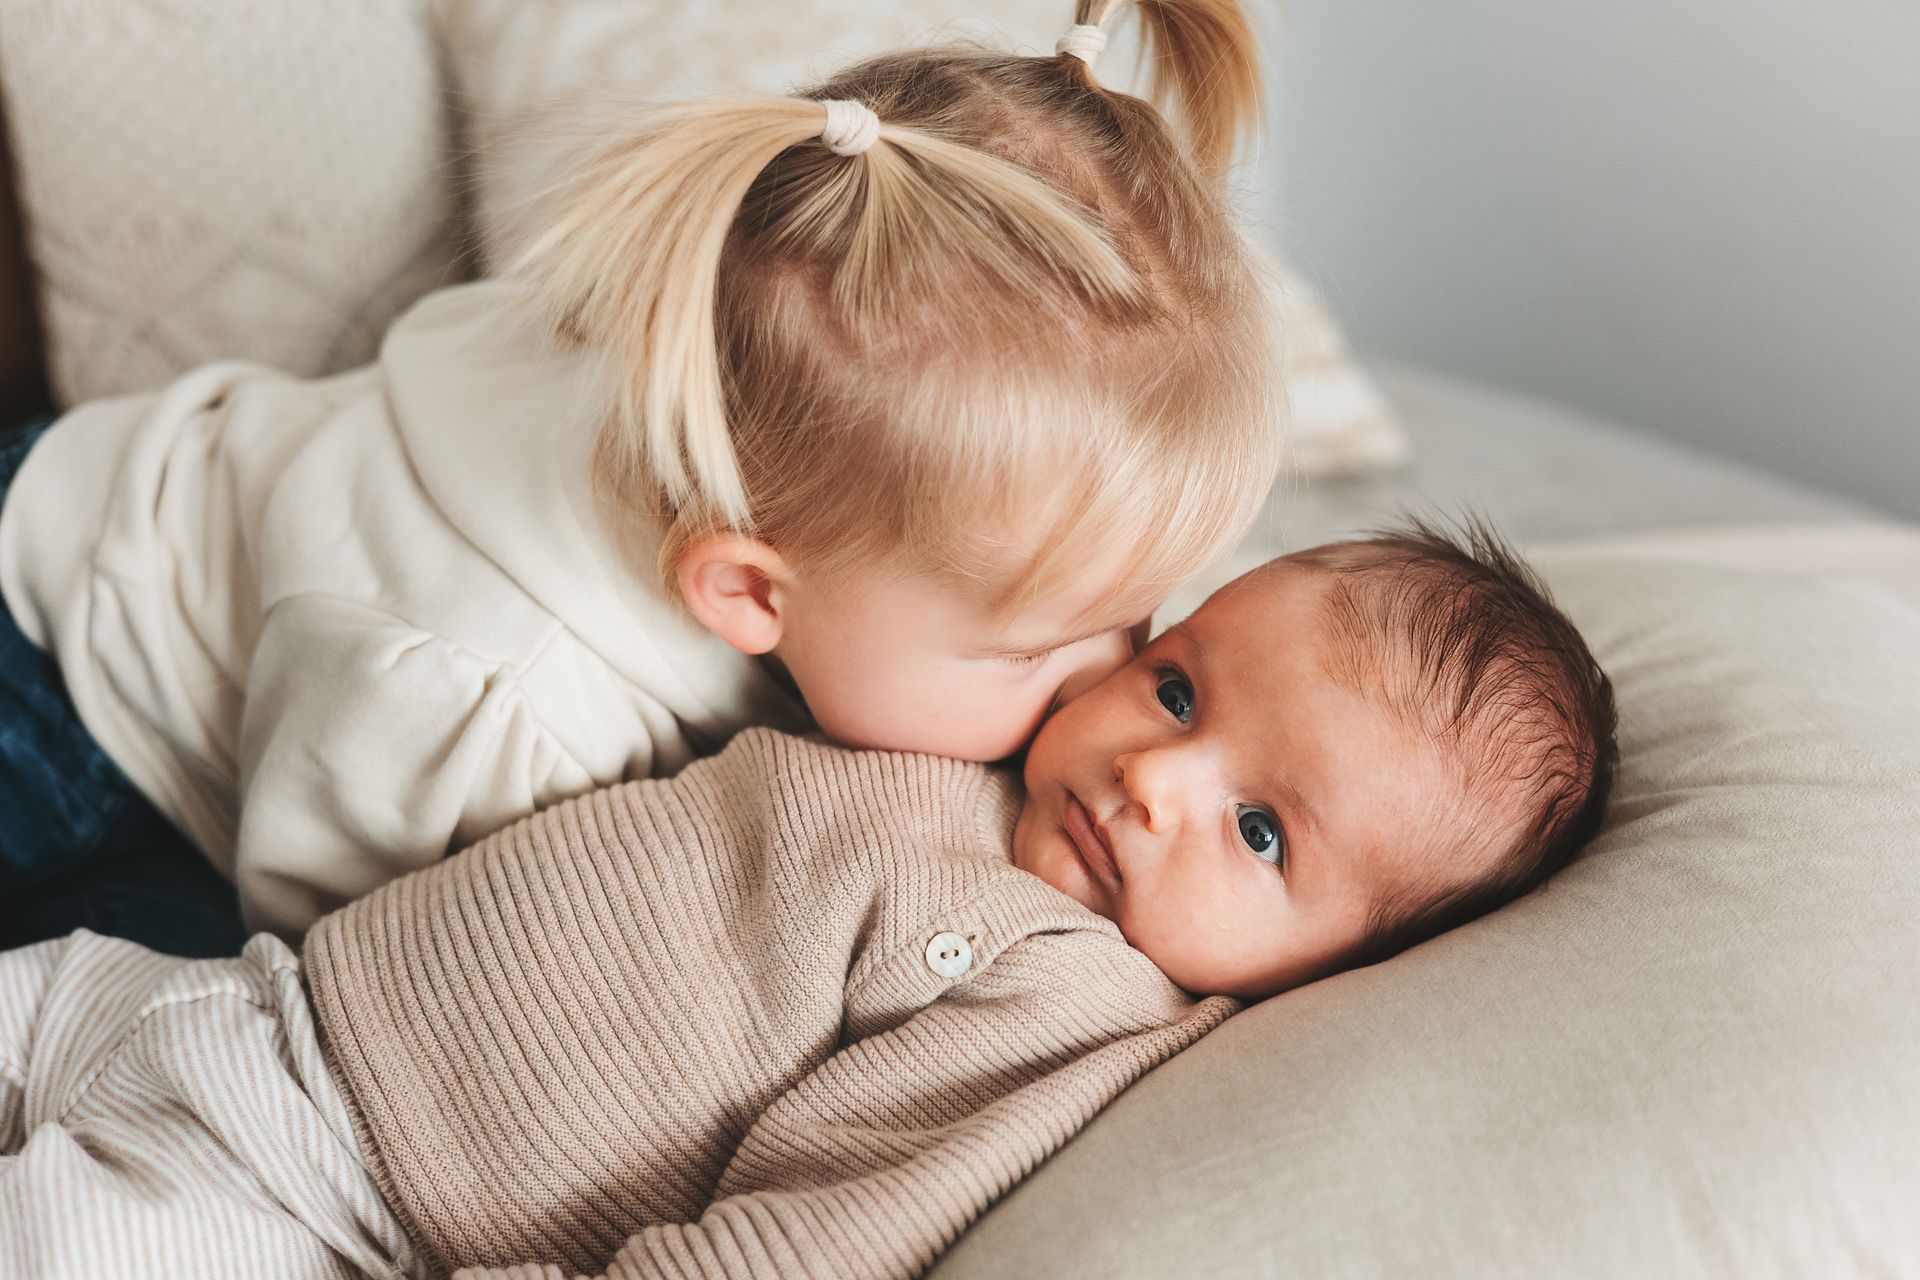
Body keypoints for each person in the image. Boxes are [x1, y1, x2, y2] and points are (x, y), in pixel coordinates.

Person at [0, 524, 1619, 1280]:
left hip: (327, 1200)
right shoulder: (972, 748)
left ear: (1343, 967)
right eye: (1184, 692)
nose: (1156, 782)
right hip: (242, 1007)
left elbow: (804, 1244)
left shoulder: (1068, 998)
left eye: (1263, 834)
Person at [0, 0, 1278, 951]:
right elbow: (337, 973)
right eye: (1028, 651)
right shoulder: (495, 699)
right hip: (72, 678)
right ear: (746, 591)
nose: (1110, 676)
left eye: (1136, 617)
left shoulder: (744, 396)